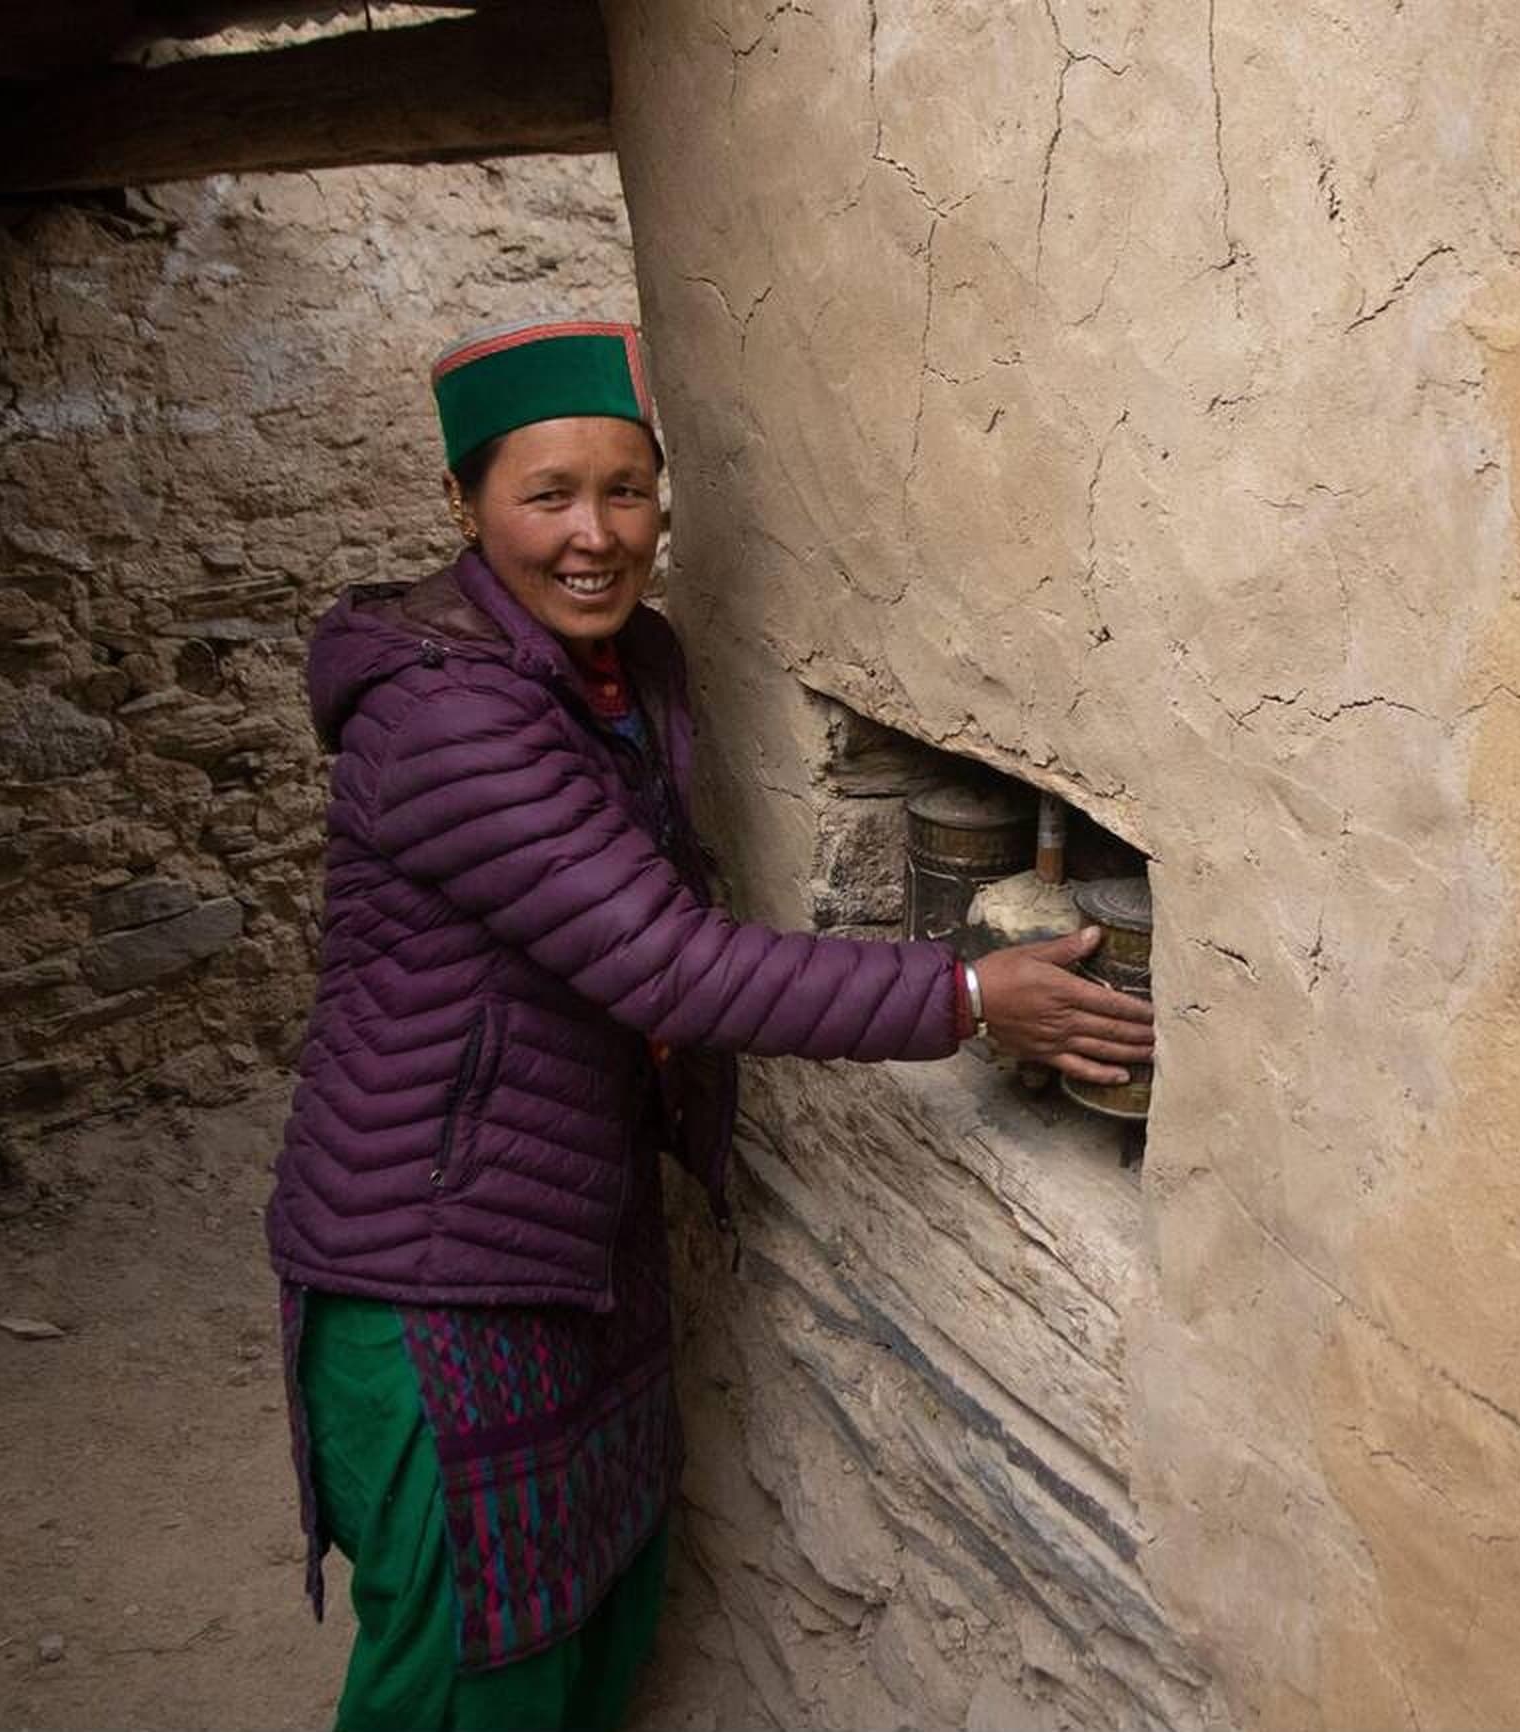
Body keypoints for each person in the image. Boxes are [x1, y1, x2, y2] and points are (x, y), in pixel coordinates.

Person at [262, 316, 1153, 1731]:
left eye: (628, 490)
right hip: (431, 1261)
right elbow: (663, 966)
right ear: (462, 505)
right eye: (546, 494)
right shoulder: (442, 717)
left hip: (562, 1224)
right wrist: (974, 994)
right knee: (468, 1652)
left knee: (590, 1596)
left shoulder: (630, 667)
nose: (596, 534)